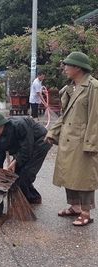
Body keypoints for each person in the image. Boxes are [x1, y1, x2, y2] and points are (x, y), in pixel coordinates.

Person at [45, 52, 98, 226]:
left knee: (83, 177)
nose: (64, 69)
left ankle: (86, 212)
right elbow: (65, 115)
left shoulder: (92, 87)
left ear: (77, 67)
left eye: (67, 65)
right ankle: (75, 207)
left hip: (82, 141)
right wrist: (53, 132)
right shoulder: (71, 88)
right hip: (68, 140)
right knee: (69, 175)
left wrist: (91, 143)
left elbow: (95, 117)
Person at [0, 112, 51, 204]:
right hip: (23, 148)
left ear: (2, 125)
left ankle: (31, 199)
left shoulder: (19, 125)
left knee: (26, 173)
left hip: (40, 142)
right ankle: (32, 197)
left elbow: (27, 147)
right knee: (15, 175)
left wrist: (16, 161)